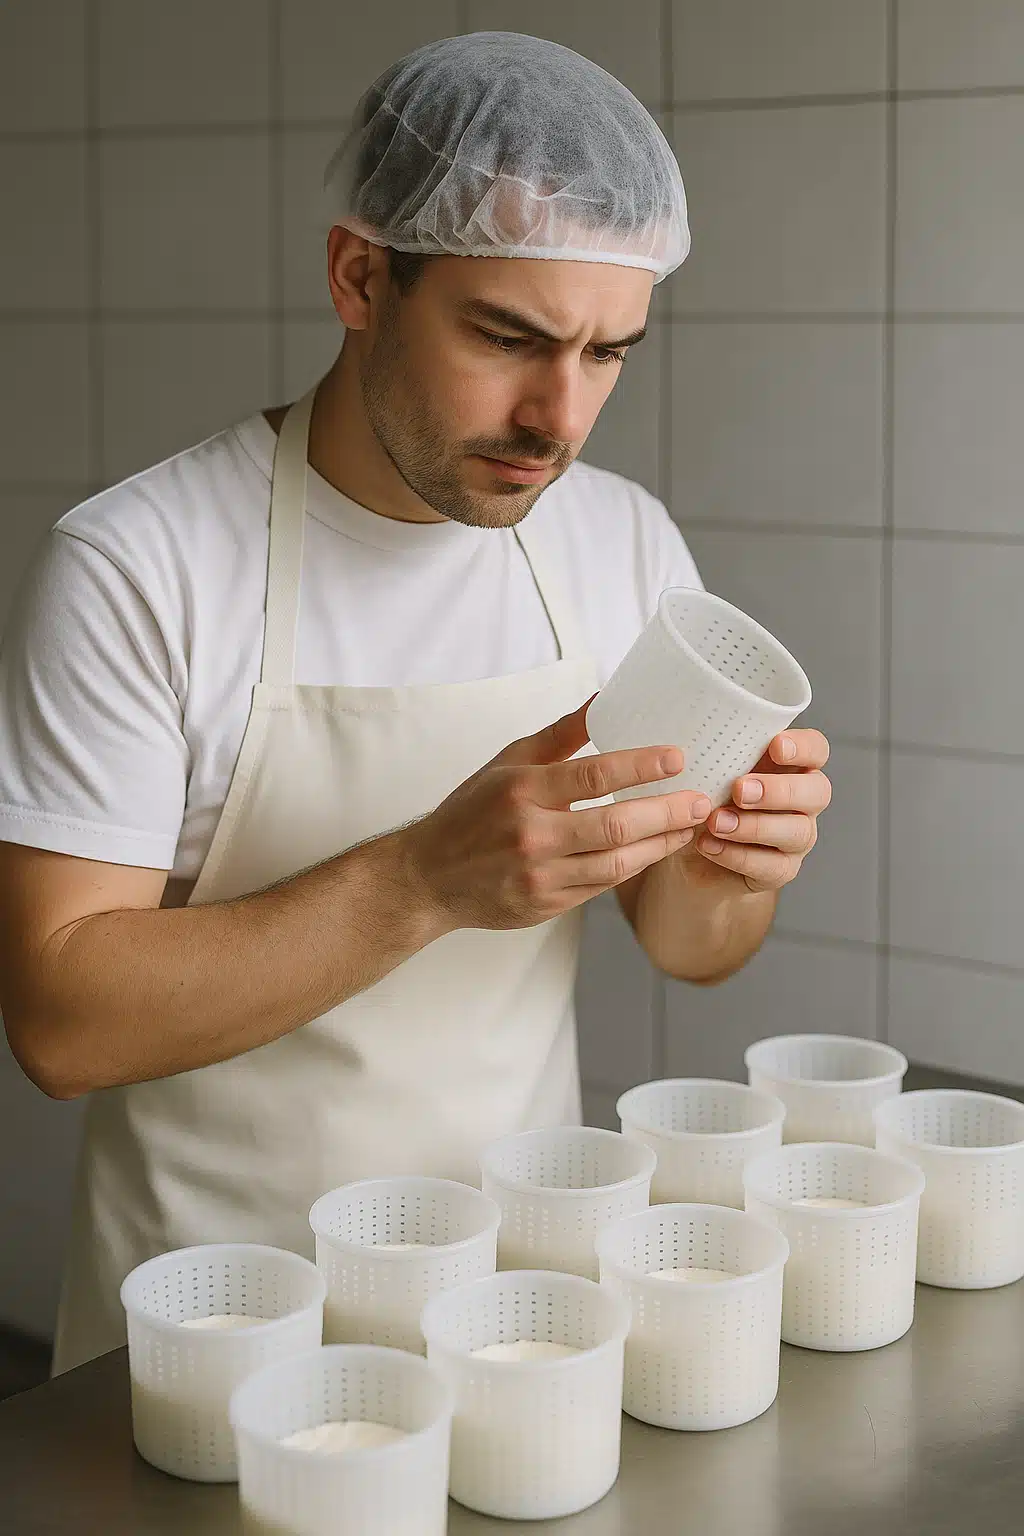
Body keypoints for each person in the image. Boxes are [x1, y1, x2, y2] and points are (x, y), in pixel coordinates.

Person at [0, 32, 831, 1374]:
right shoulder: (140, 566)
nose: (559, 416)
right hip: (212, 1333)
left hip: (512, 1318)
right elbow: (58, 1018)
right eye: (508, 336)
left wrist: (741, 862)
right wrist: (420, 884)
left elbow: (687, 940)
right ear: (360, 277)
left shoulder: (619, 545)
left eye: (609, 353)